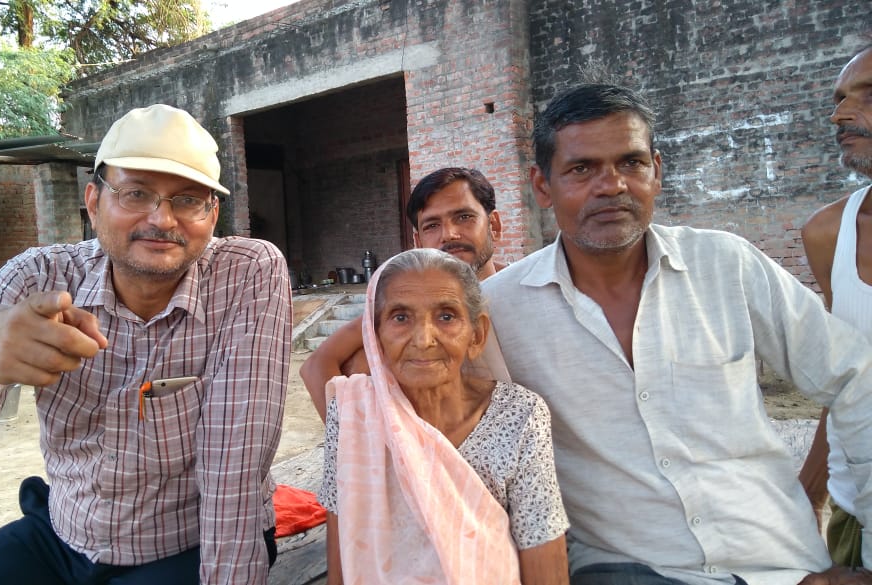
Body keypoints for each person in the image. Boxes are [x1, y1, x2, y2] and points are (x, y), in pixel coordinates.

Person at [480, 83, 872, 584]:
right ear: (542, 186)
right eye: (582, 169)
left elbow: (854, 378)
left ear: (657, 171)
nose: (612, 186)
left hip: (780, 566)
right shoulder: (502, 309)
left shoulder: (726, 263)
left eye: (631, 163)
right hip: (626, 569)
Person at [0, 104, 292, 584]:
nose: (163, 219)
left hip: (186, 542)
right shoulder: (38, 277)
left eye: (188, 199)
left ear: (213, 213)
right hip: (62, 534)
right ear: (93, 202)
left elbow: (237, 463)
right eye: (136, 193)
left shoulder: (247, 273)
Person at [317, 247, 569, 584]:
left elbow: (545, 564)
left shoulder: (520, 415)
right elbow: (344, 555)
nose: (423, 340)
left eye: (446, 316)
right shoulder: (352, 415)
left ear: (476, 335)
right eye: (401, 317)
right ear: (375, 336)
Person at [301, 167, 504, 418]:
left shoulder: (526, 291)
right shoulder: (405, 311)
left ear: (493, 224)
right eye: (432, 225)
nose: (448, 234)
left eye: (463, 217)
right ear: (418, 243)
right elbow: (315, 365)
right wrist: (352, 441)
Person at [798, 45, 872, 568]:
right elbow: (844, 376)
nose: (840, 114)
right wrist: (809, 491)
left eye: (867, 95)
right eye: (840, 98)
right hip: (857, 510)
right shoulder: (830, 234)